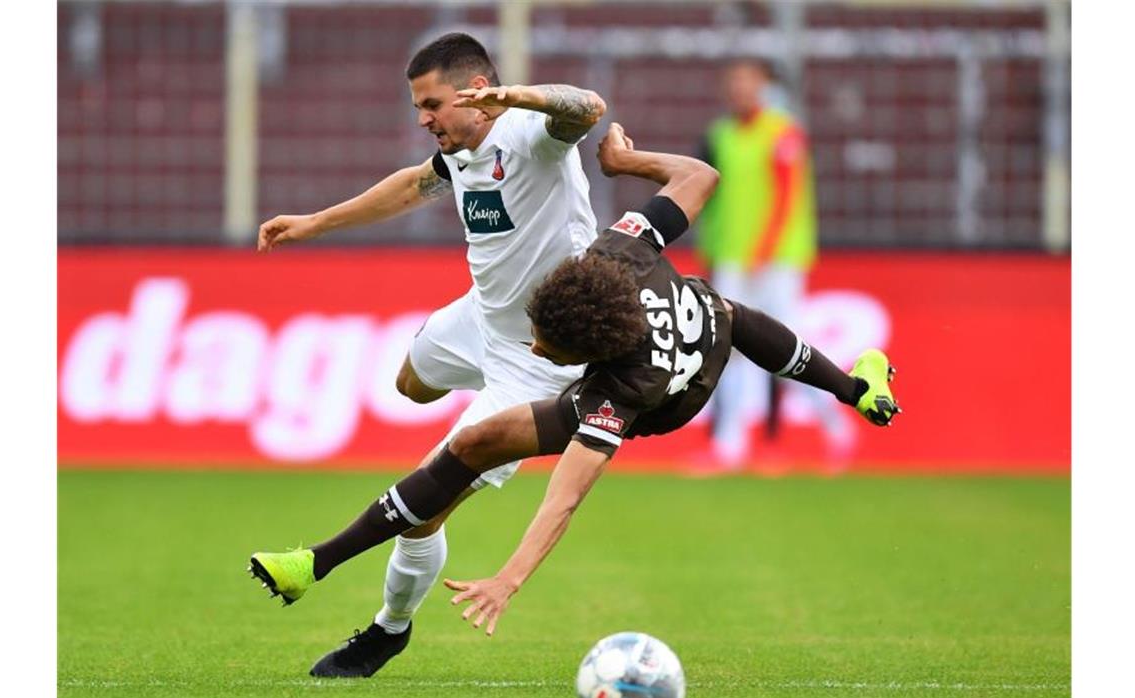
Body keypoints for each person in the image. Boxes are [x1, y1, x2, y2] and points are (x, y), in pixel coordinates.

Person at [249, 123, 901, 654]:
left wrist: (510, 578)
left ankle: (320, 564)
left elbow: (563, 500)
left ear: (582, 359)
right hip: (700, 312)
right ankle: (855, 384)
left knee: (477, 444)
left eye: (546, 347)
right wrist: (625, 159)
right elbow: (699, 178)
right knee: (727, 312)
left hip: (677, 389)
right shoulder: (615, 253)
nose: (534, 347)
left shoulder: (616, 394)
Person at [255, 32, 608, 676]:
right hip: (481, 317)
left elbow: (586, 106)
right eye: (418, 106)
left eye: (432, 105)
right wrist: (314, 223)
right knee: (409, 384)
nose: (423, 119)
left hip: (539, 359)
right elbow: (414, 185)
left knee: (425, 506)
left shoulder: (532, 134)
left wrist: (519, 96)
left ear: (479, 94)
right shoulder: (458, 149)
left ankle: (388, 630)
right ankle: (460, 410)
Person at [696, 60, 851, 469]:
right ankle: (729, 446)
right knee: (724, 349)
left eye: (749, 82)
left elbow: (787, 195)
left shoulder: (783, 132)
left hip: (776, 260)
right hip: (732, 254)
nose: (741, 90)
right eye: (734, 82)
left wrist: (763, 250)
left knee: (789, 350)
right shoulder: (721, 134)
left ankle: (836, 423)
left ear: (766, 87)